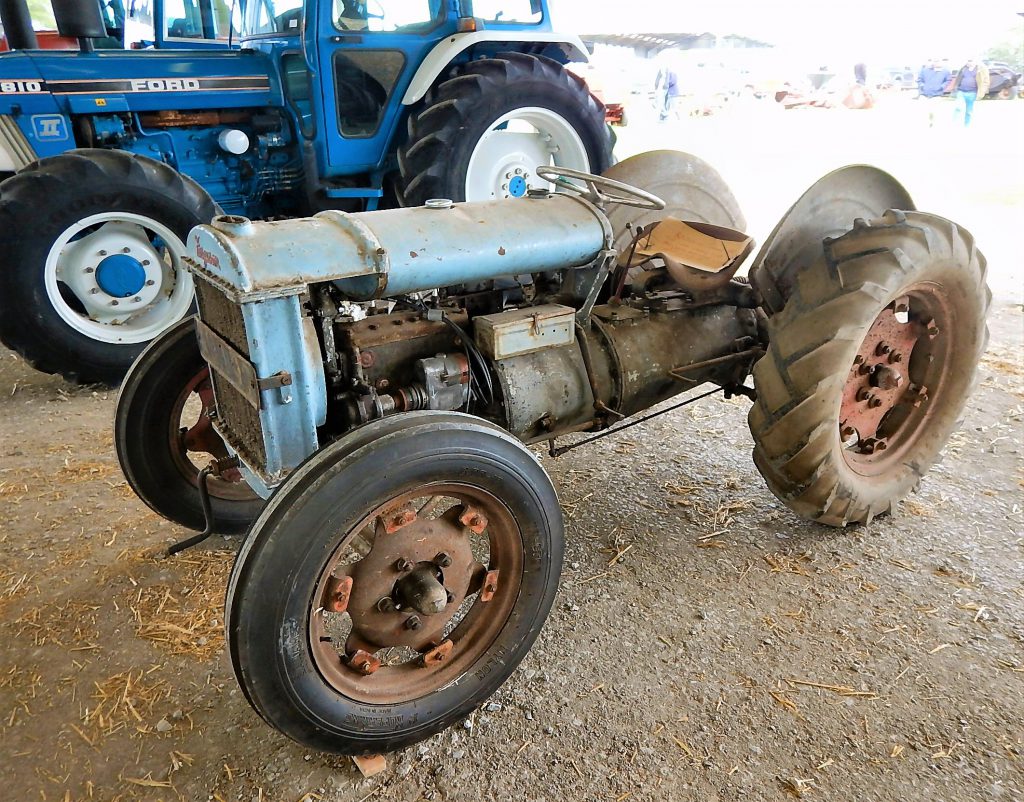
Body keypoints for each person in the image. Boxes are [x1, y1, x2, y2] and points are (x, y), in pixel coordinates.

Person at [948, 58, 990, 127]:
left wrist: (982, 91)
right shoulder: (963, 69)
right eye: (967, 61)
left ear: (975, 61)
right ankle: (954, 125)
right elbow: (957, 79)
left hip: (972, 93)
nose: (968, 62)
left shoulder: (981, 69)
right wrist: (954, 88)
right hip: (961, 91)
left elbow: (986, 81)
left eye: (970, 61)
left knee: (969, 111)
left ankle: (967, 126)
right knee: (958, 108)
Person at [917, 59, 951, 126]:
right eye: (935, 61)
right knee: (923, 111)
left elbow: (948, 80)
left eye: (938, 61)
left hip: (937, 94)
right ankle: (925, 125)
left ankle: (932, 122)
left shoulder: (945, 71)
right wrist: (922, 86)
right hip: (924, 94)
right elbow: (919, 79)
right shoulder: (924, 70)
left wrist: (942, 86)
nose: (936, 62)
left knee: (932, 111)